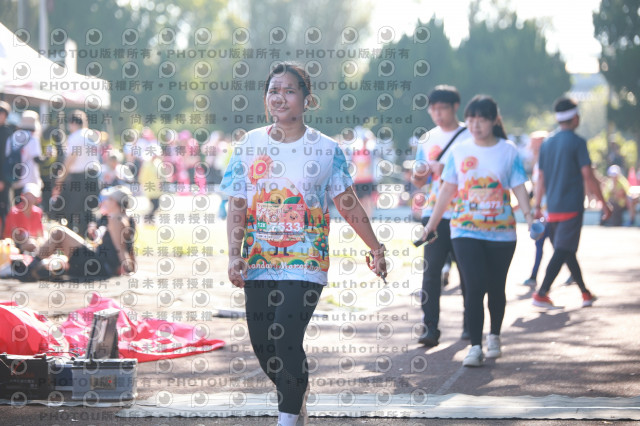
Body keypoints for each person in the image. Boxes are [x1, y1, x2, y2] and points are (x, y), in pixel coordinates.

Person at [220, 62, 387, 426]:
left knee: (284, 336)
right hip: (259, 260)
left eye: (289, 91)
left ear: (307, 99)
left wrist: (376, 248)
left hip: (306, 260)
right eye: (273, 91)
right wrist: (234, 255)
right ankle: (295, 397)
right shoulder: (249, 145)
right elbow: (237, 203)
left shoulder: (325, 149)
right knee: (263, 345)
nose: (279, 97)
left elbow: (347, 203)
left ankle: (287, 417)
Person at [424, 95, 534, 367]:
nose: (474, 125)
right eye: (471, 119)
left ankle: (494, 336)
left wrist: (530, 218)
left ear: (494, 120)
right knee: (474, 286)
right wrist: (432, 224)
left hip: (501, 231)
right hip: (465, 229)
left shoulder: (508, 150)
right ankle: (475, 346)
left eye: (481, 120)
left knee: (496, 288)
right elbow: (447, 189)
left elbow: (519, 186)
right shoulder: (459, 150)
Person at [532, 97, 611, 308]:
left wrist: (537, 206)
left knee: (566, 251)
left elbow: (541, 177)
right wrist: (604, 204)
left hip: (552, 208)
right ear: (575, 117)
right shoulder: (577, 142)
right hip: (571, 208)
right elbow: (588, 175)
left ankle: (585, 293)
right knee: (562, 251)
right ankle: (541, 293)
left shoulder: (547, 143)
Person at [411, 85, 470, 346]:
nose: (437, 114)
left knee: (468, 272)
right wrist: (420, 174)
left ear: (455, 107)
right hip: (434, 212)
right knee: (431, 272)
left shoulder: (469, 135)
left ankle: (470, 325)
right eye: (432, 109)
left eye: (442, 108)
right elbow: (418, 181)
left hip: (465, 213)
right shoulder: (427, 139)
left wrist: (444, 166)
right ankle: (430, 328)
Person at [22, 185, 136, 281]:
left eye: (108, 199)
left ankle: (31, 267)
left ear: (115, 202)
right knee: (59, 245)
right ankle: (36, 268)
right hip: (101, 263)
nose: (105, 201)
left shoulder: (116, 219)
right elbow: (128, 247)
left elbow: (120, 248)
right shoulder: (124, 218)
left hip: (101, 264)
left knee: (59, 233)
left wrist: (127, 269)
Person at [51, 110, 100, 237]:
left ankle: (73, 240)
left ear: (72, 123)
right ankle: (89, 239)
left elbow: (70, 160)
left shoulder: (76, 137)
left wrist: (60, 180)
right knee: (89, 210)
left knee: (72, 210)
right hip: (93, 176)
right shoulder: (92, 135)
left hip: (79, 177)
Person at [6, 110, 43, 200]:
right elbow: (37, 159)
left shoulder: (13, 137)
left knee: (17, 202)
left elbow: (7, 154)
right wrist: (48, 156)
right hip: (30, 179)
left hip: (15, 177)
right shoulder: (33, 139)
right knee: (29, 204)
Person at [2, 182, 44, 253]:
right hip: (14, 248)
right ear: (22, 196)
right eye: (27, 195)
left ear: (38, 199)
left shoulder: (38, 212)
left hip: (33, 246)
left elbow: (40, 235)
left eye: (32, 196)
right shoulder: (14, 212)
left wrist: (37, 242)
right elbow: (10, 236)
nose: (29, 198)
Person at [0, 101, 15, 235]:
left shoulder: (7, 132)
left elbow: (7, 158)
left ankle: (5, 236)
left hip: (3, 177)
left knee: (4, 207)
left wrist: (3, 179)